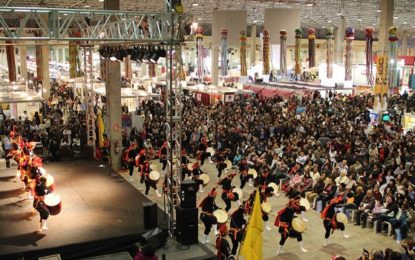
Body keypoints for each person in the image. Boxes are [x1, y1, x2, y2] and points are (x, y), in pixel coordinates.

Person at [274, 190, 308, 254]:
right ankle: (279, 250)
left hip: (290, 219)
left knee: (299, 233)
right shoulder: (292, 201)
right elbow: (296, 207)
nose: (299, 199)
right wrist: (302, 208)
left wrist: (302, 208)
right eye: (299, 197)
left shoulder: (295, 202)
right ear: (295, 196)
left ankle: (301, 247)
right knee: (284, 238)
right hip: (285, 222)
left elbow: (297, 209)